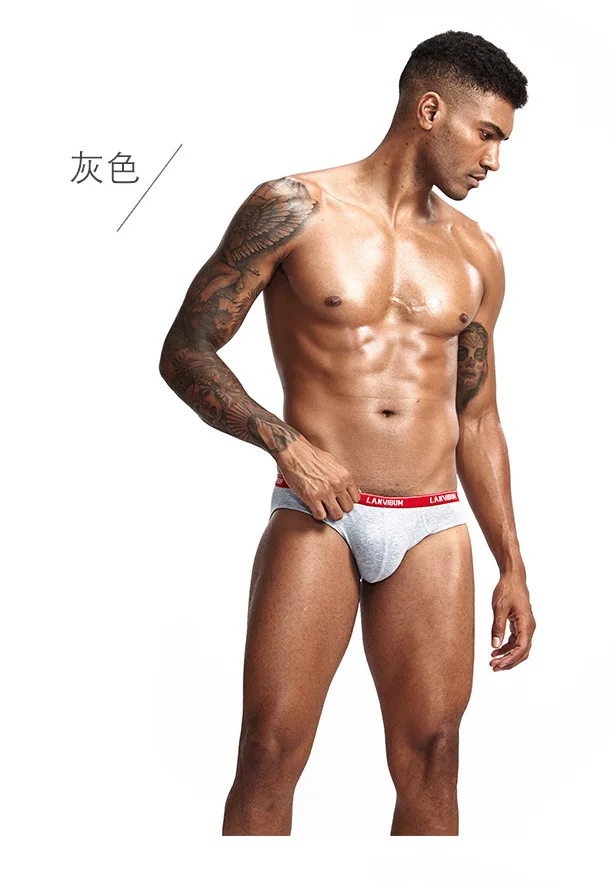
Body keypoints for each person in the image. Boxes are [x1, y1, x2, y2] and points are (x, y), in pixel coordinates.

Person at [159, 29, 535, 836]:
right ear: (429, 110)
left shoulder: (477, 254)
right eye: (486, 134)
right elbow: (185, 349)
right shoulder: (295, 208)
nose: (495, 160)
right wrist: (285, 443)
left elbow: (478, 416)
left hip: (431, 523)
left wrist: (513, 561)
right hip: (318, 514)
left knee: (433, 753)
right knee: (269, 750)